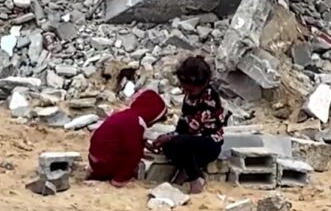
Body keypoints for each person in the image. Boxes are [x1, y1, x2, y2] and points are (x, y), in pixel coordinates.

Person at [152, 55, 229, 194]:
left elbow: (192, 127)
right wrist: (167, 138)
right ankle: (188, 170)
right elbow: (182, 125)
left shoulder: (210, 97)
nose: (186, 93)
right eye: (184, 89)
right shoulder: (189, 98)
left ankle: (195, 179)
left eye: (190, 90)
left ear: (203, 84)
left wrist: (171, 137)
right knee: (171, 145)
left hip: (208, 142)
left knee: (181, 142)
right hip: (191, 141)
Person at [88, 89, 167, 188]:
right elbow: (133, 149)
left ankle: (101, 173)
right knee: (135, 155)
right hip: (105, 163)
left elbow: (122, 135)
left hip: (94, 160)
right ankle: (119, 179)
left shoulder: (126, 115)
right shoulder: (137, 123)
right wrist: (141, 148)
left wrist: (144, 142)